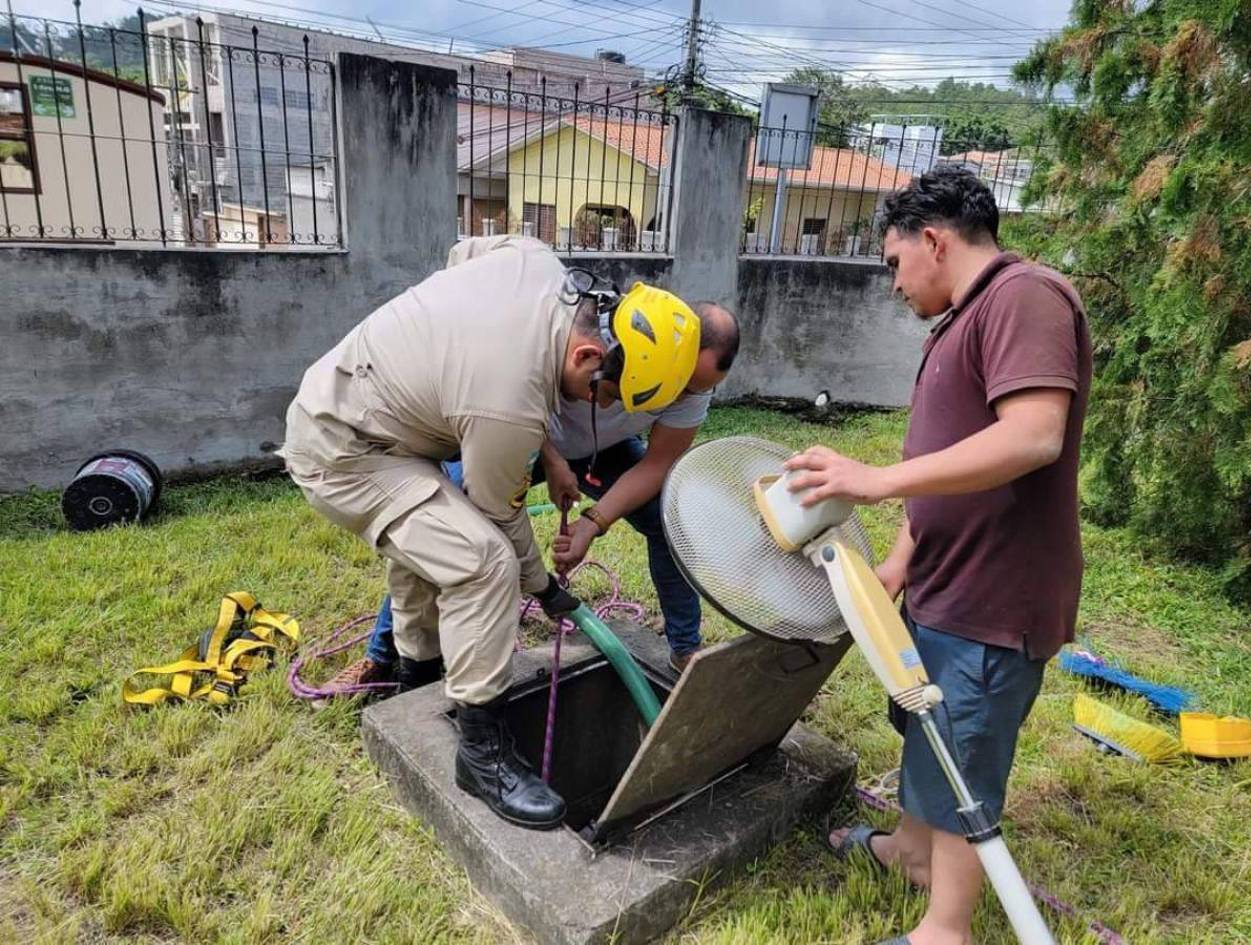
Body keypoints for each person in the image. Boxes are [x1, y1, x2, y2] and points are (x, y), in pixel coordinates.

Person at [280, 235, 702, 830]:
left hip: (369, 410)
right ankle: (481, 753)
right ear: (588, 353)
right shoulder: (510, 401)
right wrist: (546, 589)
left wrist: (439, 355)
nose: (593, 406)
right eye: (599, 395)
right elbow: (498, 514)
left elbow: (460, 253)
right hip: (343, 450)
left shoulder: (532, 262)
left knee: (431, 542)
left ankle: (417, 680)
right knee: (482, 563)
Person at [785, 166, 1091, 945]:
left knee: (966, 751)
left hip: (996, 597)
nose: (893, 284)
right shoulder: (964, 316)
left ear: (933, 239)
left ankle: (945, 927)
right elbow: (955, 460)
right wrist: (900, 562)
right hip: (945, 582)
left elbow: (1030, 437)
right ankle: (911, 849)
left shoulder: (1025, 297)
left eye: (893, 263)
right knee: (931, 725)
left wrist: (878, 479)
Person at [333, 302, 740, 692]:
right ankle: (381, 655)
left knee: (670, 520)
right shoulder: (591, 334)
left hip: (606, 448)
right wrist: (553, 457)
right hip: (519, 432)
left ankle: (685, 649)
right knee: (444, 514)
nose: (683, 396)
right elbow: (510, 393)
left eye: (697, 390)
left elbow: (656, 465)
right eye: (684, 383)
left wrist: (592, 523)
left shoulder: (694, 388)